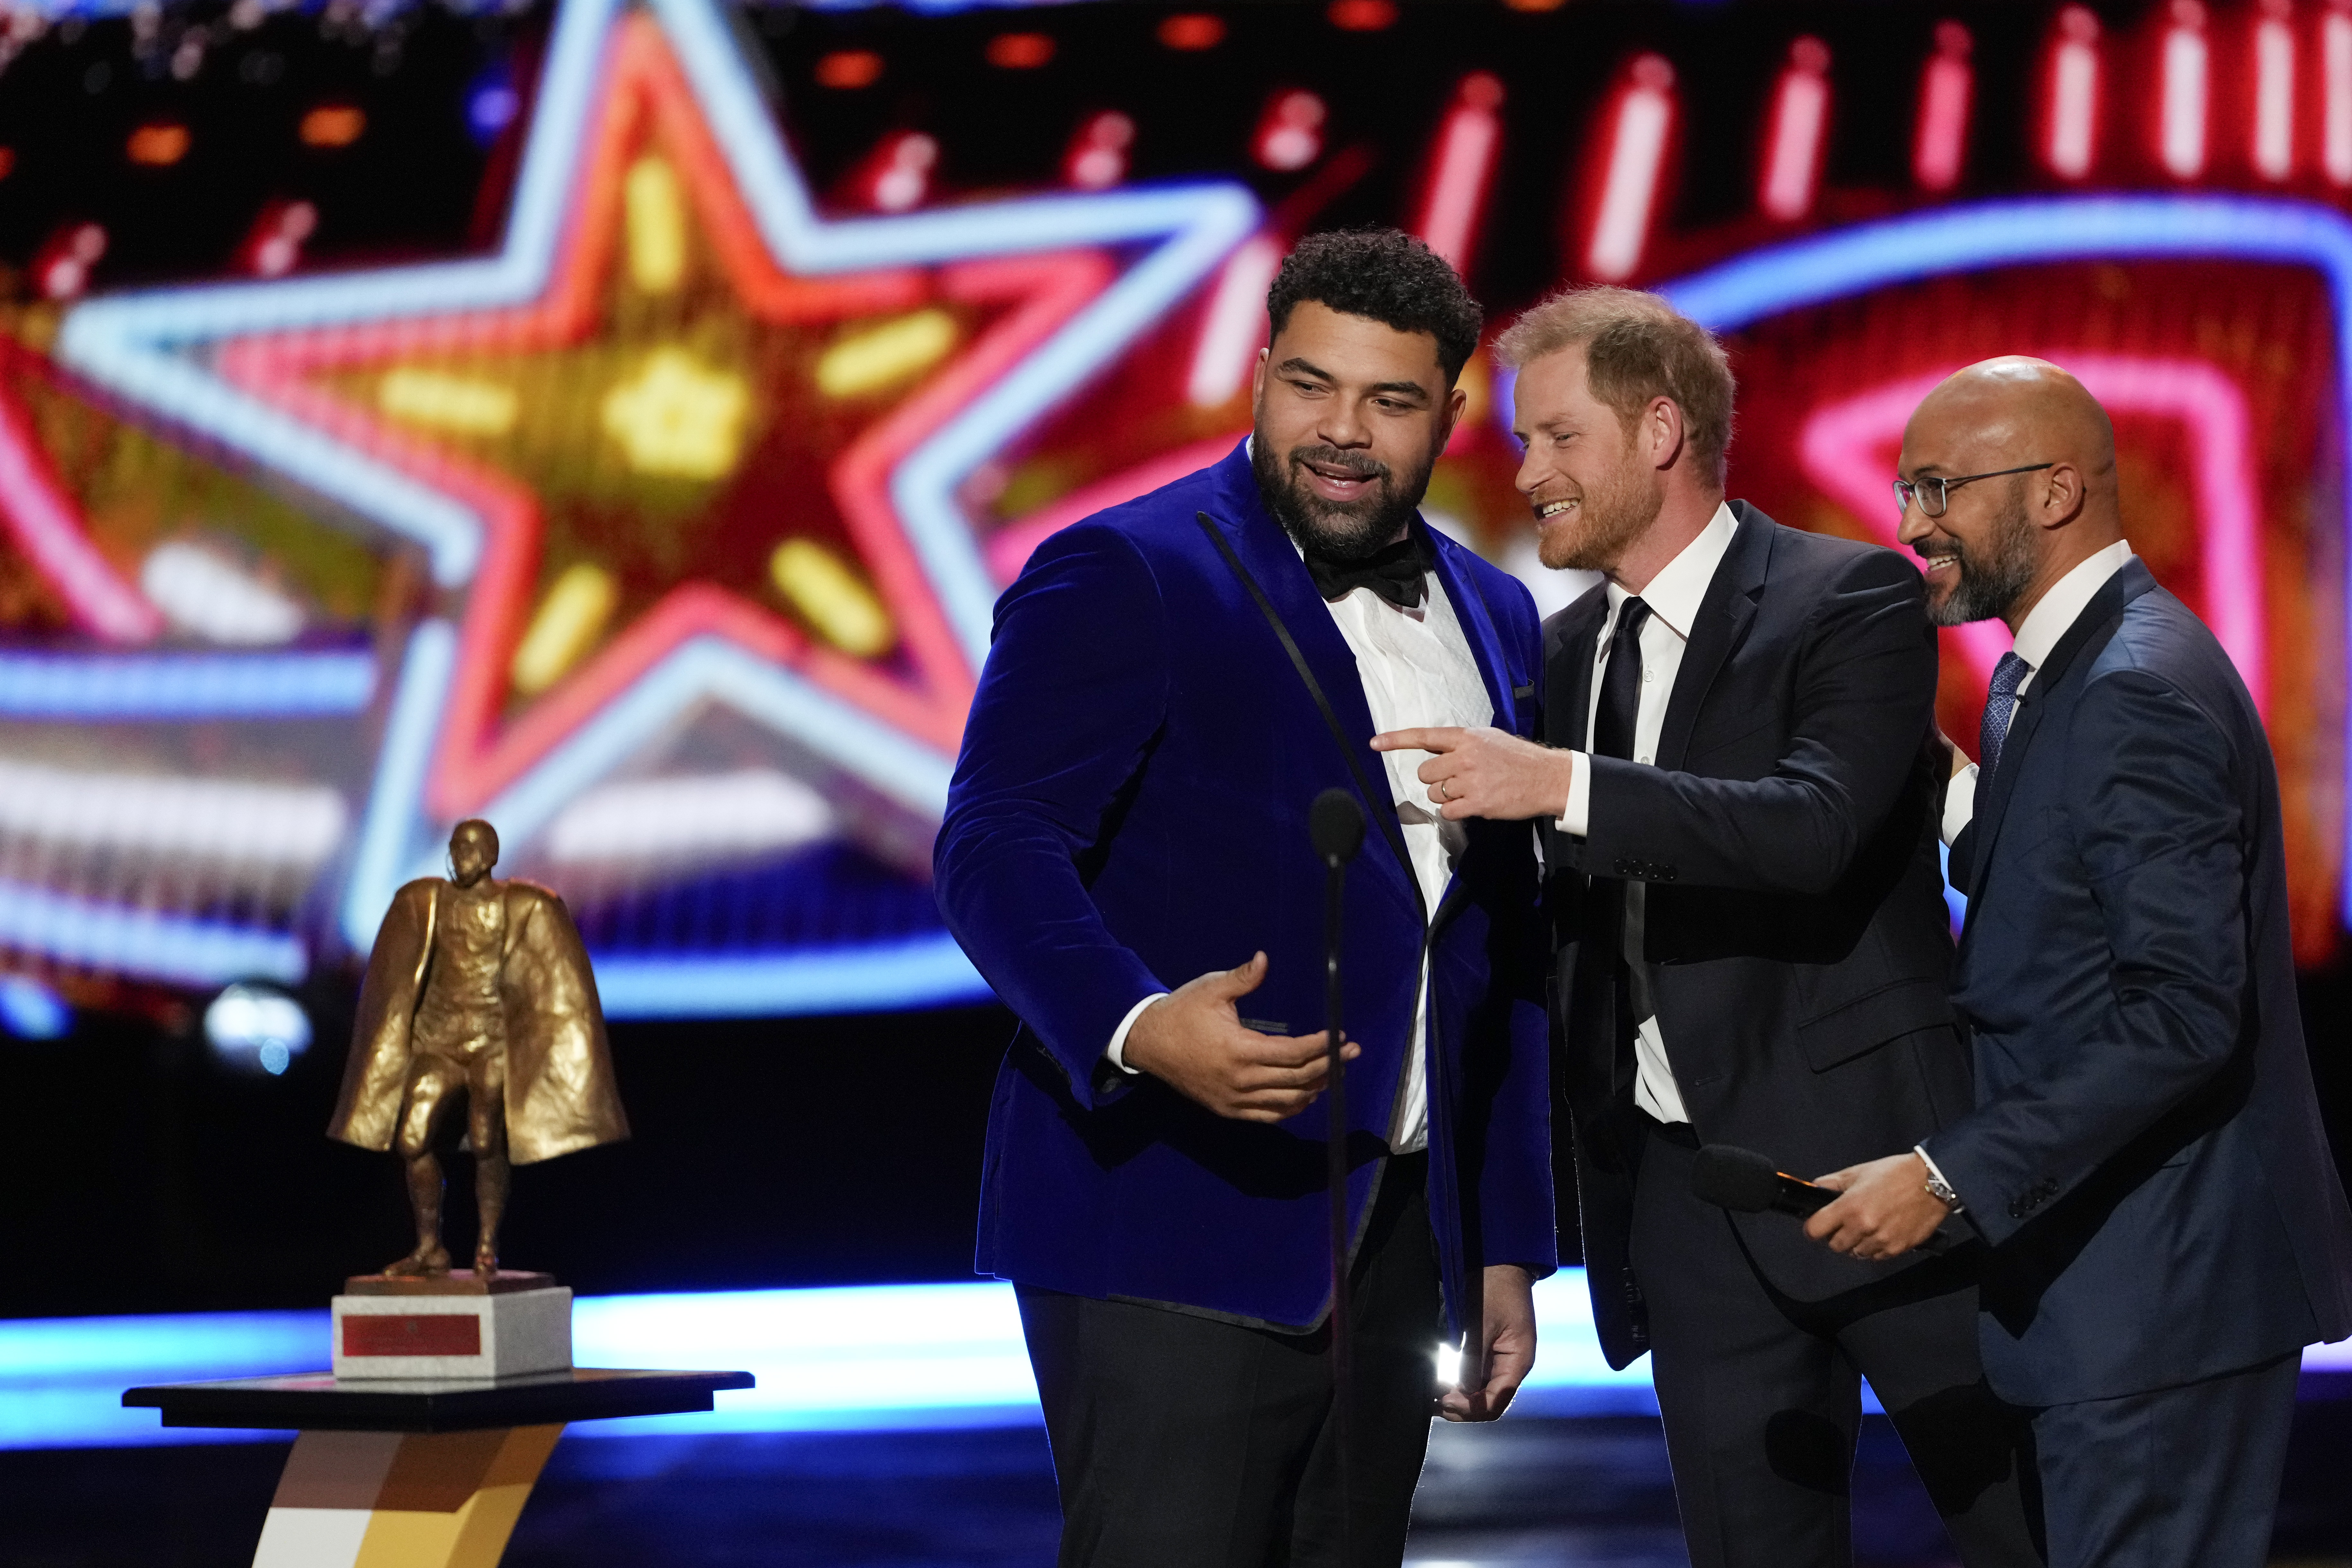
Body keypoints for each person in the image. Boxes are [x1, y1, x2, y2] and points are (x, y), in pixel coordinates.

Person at [1372, 288, 2038, 1568]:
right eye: (1523, 443)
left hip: (1889, 1170)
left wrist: (1558, 785)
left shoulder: (1845, 598)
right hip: (1683, 1197)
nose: (1529, 475)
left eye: (1559, 438)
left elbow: (1815, 826)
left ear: (1661, 428)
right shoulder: (1553, 656)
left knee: (2031, 1527)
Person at [934, 228, 1555, 1567]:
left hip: (1394, 1246)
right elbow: (997, 839)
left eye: (1390, 400)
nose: (1343, 431)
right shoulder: (1131, 569)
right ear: (1260, 374)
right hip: (1168, 1212)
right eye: (1311, 385)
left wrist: (1500, 1235)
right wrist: (1139, 1023)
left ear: (1449, 412)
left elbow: (1494, 944)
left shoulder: (1498, 612)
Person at [1804, 356, 2352, 1568]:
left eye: (1940, 489)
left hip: (2161, 1301)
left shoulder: (2130, 690)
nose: (1910, 526)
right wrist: (1944, 789)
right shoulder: (2058, 673)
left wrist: (1947, 1175)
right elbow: (2065, 885)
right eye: (1905, 490)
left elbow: (2183, 1014)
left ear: (2054, 492)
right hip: (2123, 1296)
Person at [328, 818, 627, 1277]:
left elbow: (552, 980)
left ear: (489, 856)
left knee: (488, 1140)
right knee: (412, 1140)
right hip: (439, 1044)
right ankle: (431, 1247)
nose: (459, 857)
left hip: (492, 1045)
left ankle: (487, 1242)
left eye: (469, 849)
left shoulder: (521, 905)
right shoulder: (426, 902)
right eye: (454, 848)